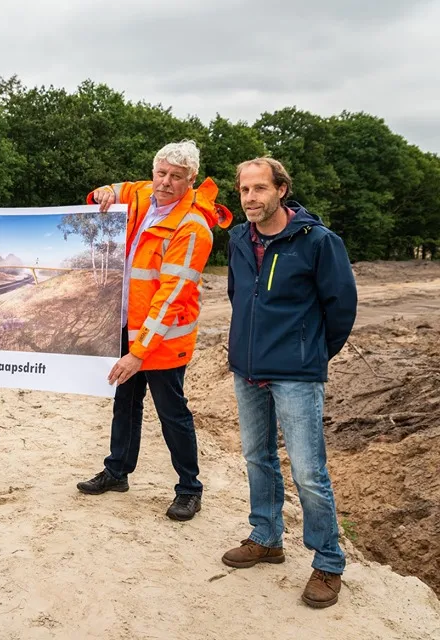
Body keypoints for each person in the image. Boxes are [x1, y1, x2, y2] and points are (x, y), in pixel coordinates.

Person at [221, 157, 357, 609]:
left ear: (281, 189)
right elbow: (239, 298)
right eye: (244, 190)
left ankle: (328, 561)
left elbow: (340, 309)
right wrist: (246, 349)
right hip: (247, 367)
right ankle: (266, 537)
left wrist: (309, 354)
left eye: (260, 188)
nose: (251, 199)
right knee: (257, 457)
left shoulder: (318, 241)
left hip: (296, 373)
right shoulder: (239, 238)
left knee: (308, 472)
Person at [76, 140, 231, 521]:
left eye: (176, 177)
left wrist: (138, 352)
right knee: (125, 404)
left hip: (163, 340)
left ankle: (189, 489)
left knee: (171, 412)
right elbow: (121, 190)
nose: (165, 182)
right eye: (160, 173)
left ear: (190, 180)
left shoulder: (193, 227)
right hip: (129, 328)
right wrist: (106, 192)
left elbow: (171, 296)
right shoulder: (144, 194)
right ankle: (117, 471)